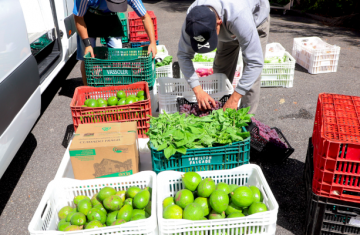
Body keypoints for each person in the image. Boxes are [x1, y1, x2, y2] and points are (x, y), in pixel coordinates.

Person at [178, 0, 270, 114]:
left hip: (254, 19)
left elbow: (255, 62)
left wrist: (235, 99)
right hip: (228, 25)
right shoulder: (192, 20)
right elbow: (183, 55)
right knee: (220, 73)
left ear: (218, 23)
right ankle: (218, 114)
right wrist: (198, 91)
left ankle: (246, 123)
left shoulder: (238, 15)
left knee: (250, 82)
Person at [73, 0, 157, 85]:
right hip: (87, 17)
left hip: (110, 17)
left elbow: (145, 17)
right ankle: (88, 90)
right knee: (87, 58)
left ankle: (114, 85)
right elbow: (78, 17)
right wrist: (87, 45)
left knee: (117, 54)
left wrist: (152, 43)